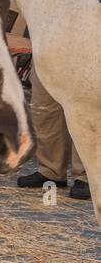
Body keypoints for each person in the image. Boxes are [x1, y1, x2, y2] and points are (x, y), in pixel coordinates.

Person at [18, 62, 90, 200]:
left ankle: (87, 177)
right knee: (44, 109)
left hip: (83, 46)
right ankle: (50, 170)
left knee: (83, 108)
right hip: (46, 48)